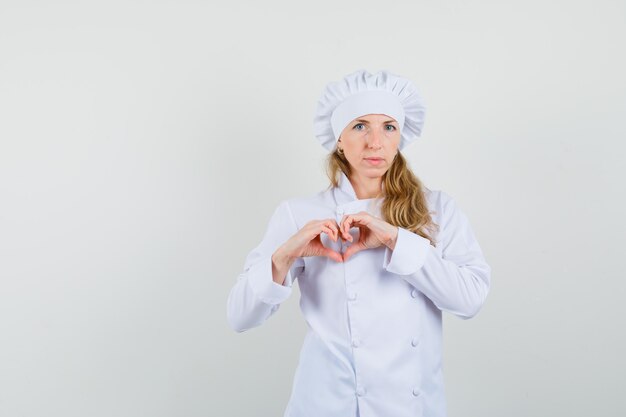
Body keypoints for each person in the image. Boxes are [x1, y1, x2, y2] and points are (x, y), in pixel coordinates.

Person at [226, 69, 491, 417]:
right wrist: (284, 256)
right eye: (360, 126)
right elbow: (240, 317)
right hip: (326, 405)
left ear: (400, 137)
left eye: (388, 127)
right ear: (339, 139)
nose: (375, 142)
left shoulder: (436, 209)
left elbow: (470, 300)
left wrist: (395, 239)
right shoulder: (299, 213)